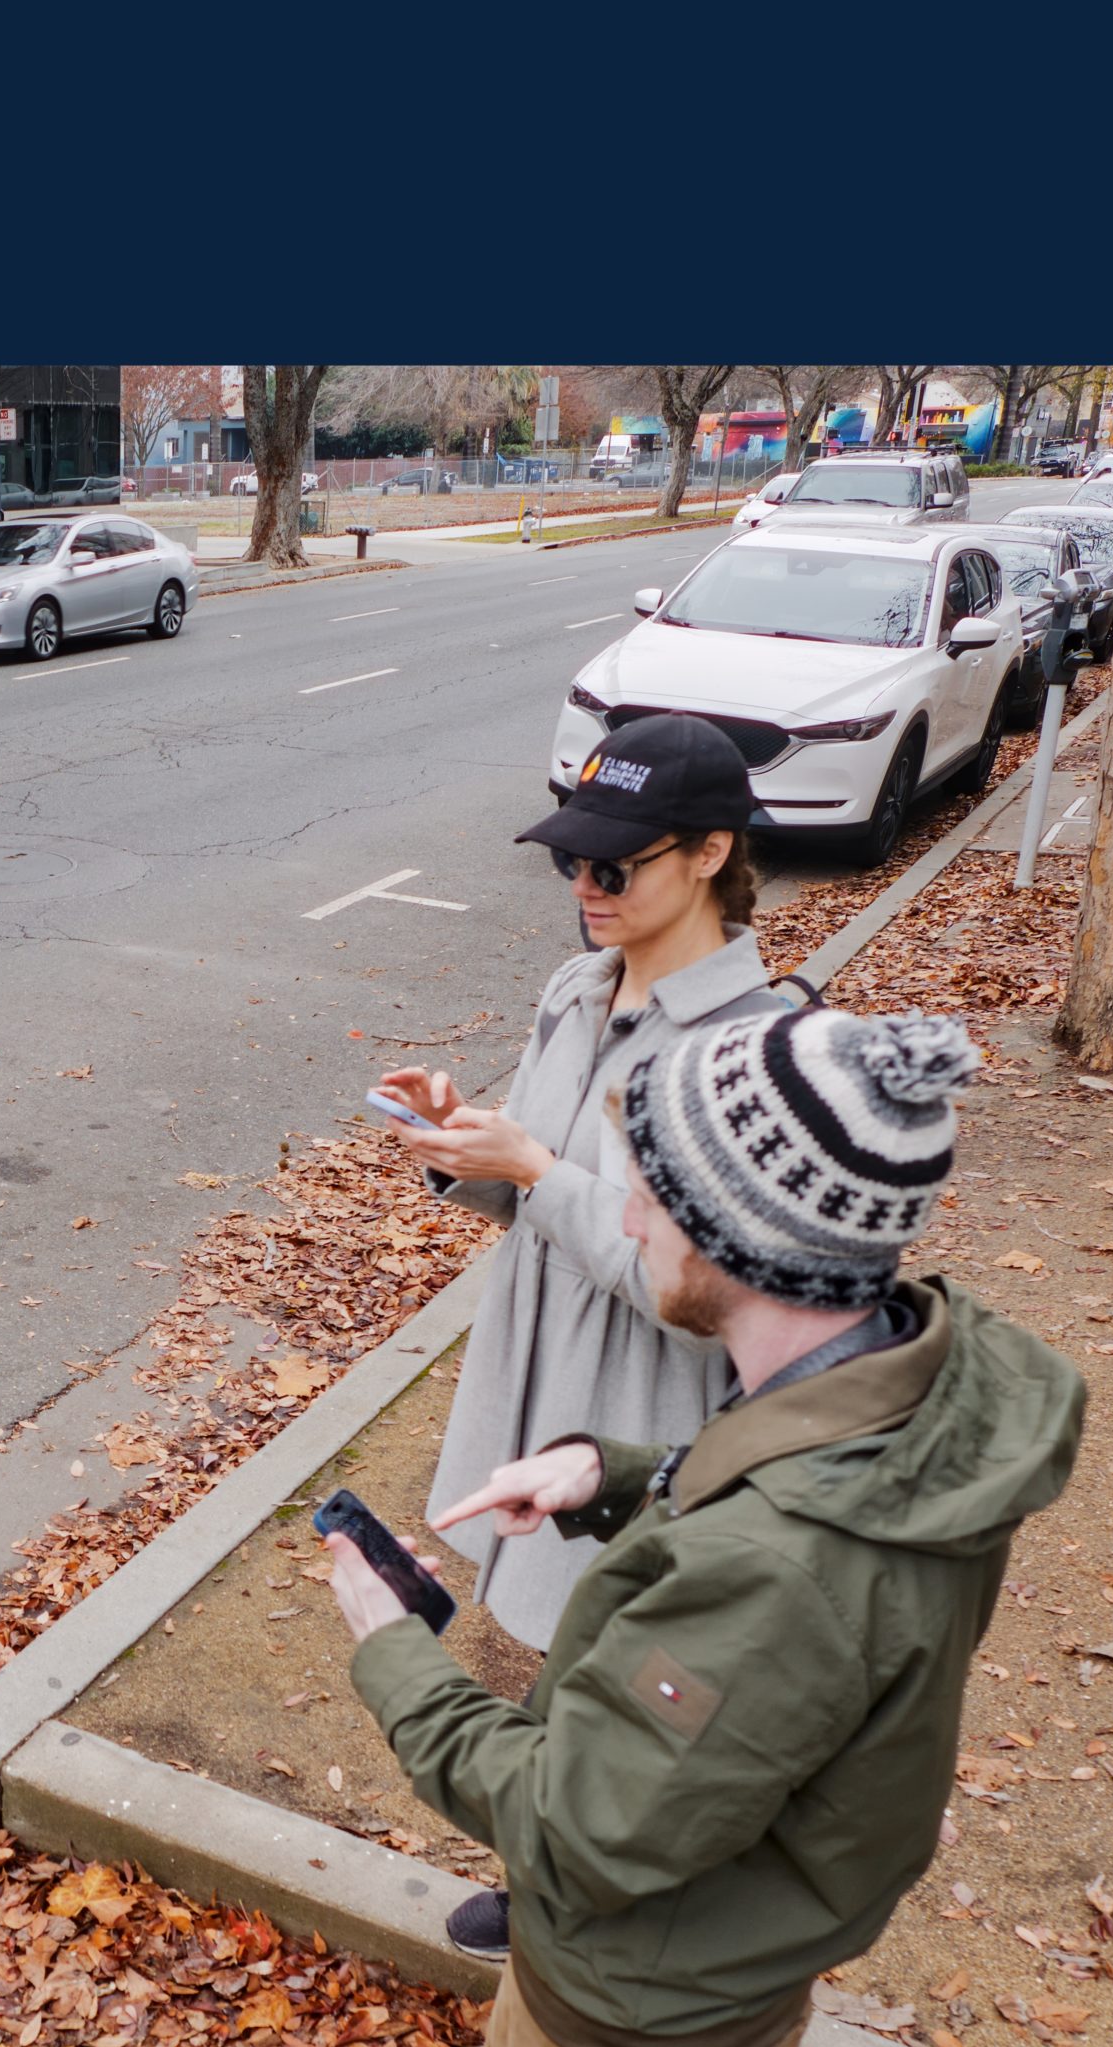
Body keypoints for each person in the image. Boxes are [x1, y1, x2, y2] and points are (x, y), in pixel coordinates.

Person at [325, 1006, 1082, 2047]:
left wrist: (388, 1648)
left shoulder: (779, 1571)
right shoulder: (904, 1374)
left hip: (635, 2012)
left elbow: (579, 1828)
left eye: (649, 1194)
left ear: (742, 1234)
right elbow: (788, 1498)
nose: (622, 1217)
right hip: (728, 1944)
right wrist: (616, 1474)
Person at [374, 714, 788, 1955]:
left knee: (607, 1659)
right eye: (571, 862)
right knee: (556, 1647)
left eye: (616, 866)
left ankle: (574, 1892)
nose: (585, 888)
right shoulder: (577, 987)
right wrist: (466, 1145)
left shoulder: (743, 1046)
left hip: (636, 1404)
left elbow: (698, 1290)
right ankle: (554, 1870)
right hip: (533, 1367)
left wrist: (537, 1168)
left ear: (711, 852)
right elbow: (535, 1185)